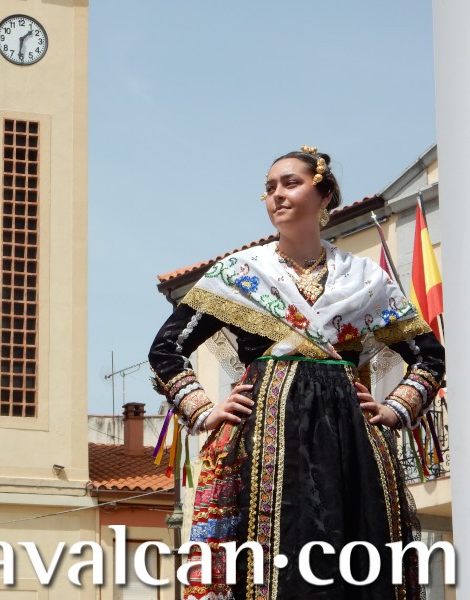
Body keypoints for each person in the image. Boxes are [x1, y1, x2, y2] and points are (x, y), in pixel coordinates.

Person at [148, 146, 445, 599]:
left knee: (357, 558)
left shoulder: (365, 279)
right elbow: (166, 349)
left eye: (290, 183)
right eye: (269, 188)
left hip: (351, 439)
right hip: (262, 437)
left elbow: (429, 357)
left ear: (324, 195)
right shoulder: (241, 275)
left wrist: (395, 408)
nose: (277, 195)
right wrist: (205, 410)